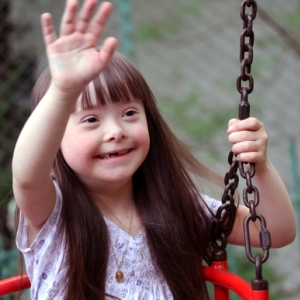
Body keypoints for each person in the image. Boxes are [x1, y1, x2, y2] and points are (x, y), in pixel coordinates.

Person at [12, 0, 296, 299]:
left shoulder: (176, 204)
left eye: (130, 113)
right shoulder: (52, 211)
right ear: (54, 137)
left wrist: (259, 166)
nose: (116, 131)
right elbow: (27, 176)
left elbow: (275, 231)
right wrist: (63, 91)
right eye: (91, 119)